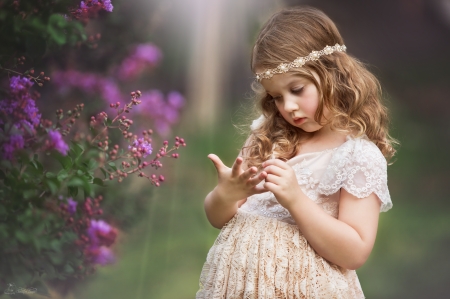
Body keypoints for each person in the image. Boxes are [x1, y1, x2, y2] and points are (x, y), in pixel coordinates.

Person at [196, 6, 397, 299]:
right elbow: (217, 218)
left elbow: (354, 252)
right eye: (277, 97)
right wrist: (226, 194)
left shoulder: (357, 156)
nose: (287, 106)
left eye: (297, 89)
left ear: (333, 75)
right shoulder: (267, 137)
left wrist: (296, 200)